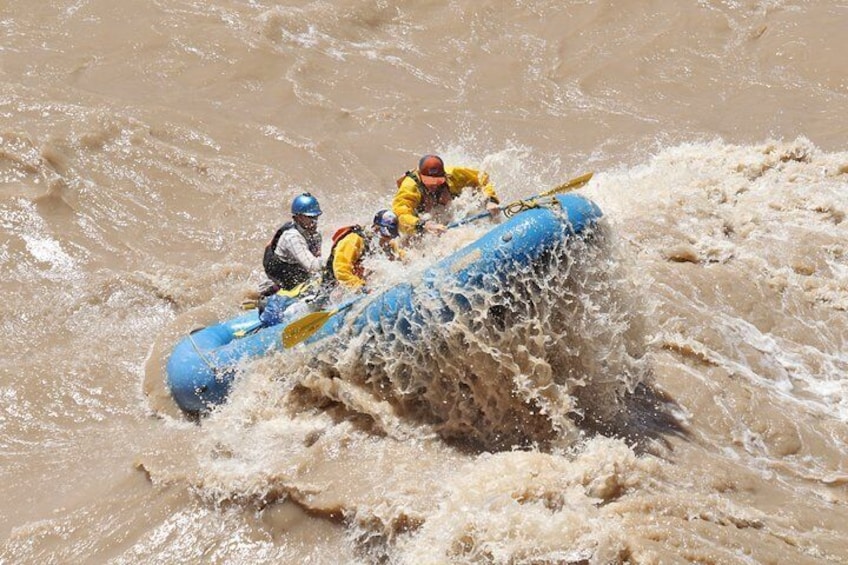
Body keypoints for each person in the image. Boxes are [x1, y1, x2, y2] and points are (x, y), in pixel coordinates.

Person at [392, 154, 501, 236]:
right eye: (429, 181)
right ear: (420, 177)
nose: (434, 185)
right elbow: (401, 215)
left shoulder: (453, 174)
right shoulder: (409, 187)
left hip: (446, 205)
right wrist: (424, 225)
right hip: (422, 216)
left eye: (437, 181)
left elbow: (482, 177)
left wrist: (491, 200)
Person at [322, 209, 403, 292]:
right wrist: (360, 287)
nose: (388, 238)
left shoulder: (386, 243)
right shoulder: (353, 240)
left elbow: (401, 256)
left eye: (392, 235)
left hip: (358, 283)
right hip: (333, 288)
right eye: (386, 233)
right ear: (376, 229)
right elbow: (341, 270)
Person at [262, 192, 323, 293]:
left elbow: (317, 258)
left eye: (316, 217)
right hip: (281, 272)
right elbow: (312, 266)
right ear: (298, 217)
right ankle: (269, 291)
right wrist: (334, 260)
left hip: (295, 266)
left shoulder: (316, 234)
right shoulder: (292, 237)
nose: (314, 222)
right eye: (310, 218)